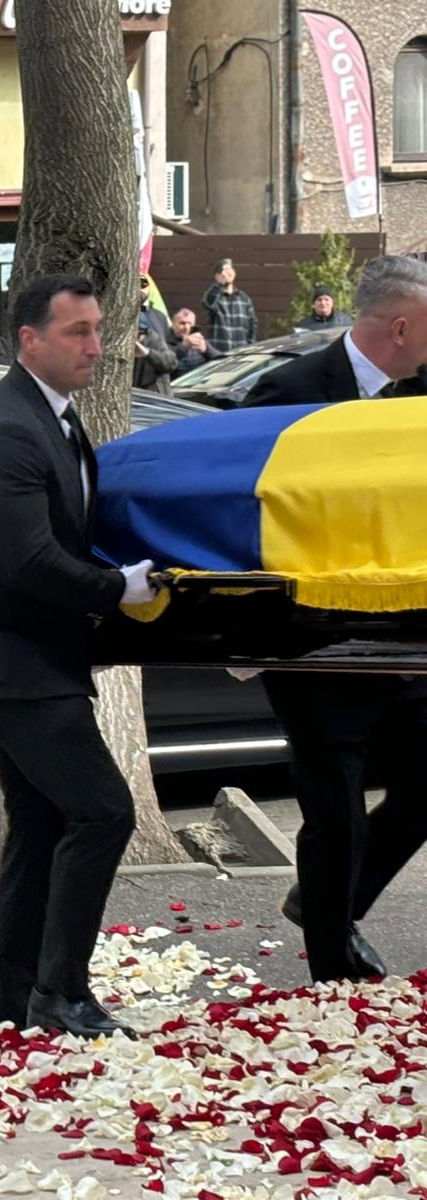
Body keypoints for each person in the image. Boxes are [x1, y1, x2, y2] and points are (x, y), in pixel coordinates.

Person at [0, 272, 159, 1040]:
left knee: (38, 826)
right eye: (78, 332)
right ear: (29, 340)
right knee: (103, 811)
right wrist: (117, 589)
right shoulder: (11, 429)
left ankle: (5, 1000)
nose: (96, 345)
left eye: (98, 329)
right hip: (13, 663)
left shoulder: (50, 417)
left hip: (28, 658)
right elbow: (28, 560)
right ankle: (59, 994)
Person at [240, 255, 427, 983]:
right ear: (402, 327)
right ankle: (330, 966)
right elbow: (243, 501)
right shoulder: (288, 392)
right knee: (335, 811)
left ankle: (331, 901)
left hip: (403, 635)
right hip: (313, 641)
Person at [201, 258, 258, 353]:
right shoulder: (215, 296)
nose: (228, 273)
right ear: (217, 276)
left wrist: (250, 346)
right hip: (218, 353)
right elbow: (207, 303)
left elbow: (252, 324)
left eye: (230, 269)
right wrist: (219, 283)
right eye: (225, 270)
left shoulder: (244, 298)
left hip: (240, 353)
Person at [133, 285, 178, 395]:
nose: (138, 338)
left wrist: (147, 353)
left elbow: (171, 362)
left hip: (155, 396)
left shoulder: (152, 339)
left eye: (140, 334)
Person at [166, 308, 218, 375]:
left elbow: (221, 359)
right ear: (173, 325)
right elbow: (166, 363)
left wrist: (206, 350)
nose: (186, 327)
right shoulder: (164, 341)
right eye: (182, 323)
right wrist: (183, 347)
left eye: (190, 324)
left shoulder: (198, 339)